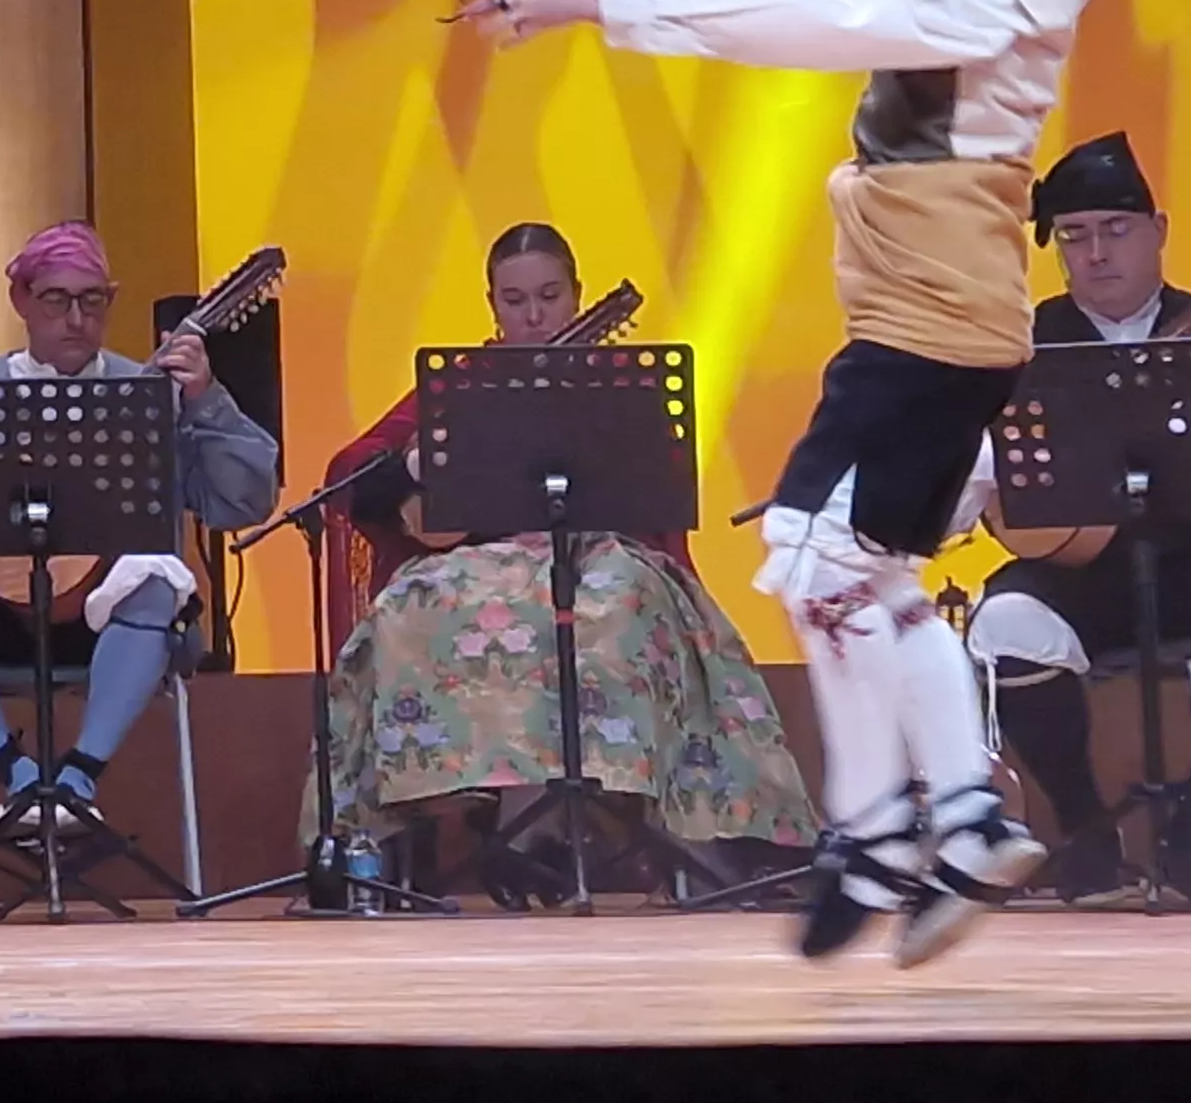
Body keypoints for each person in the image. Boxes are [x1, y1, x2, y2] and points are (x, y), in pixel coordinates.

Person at [463, 0, 1186, 963]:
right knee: (845, 569)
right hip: (933, 318)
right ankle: (931, 821)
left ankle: (916, 824)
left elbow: (791, 17)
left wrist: (590, 1)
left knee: (820, 562)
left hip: (924, 324)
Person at [311, 223, 815, 893]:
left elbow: (656, 490)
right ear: (491, 304)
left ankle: (557, 830)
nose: (533, 314)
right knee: (411, 607)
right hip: (476, 564)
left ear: (576, 297)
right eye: (514, 300)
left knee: (611, 603)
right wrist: (410, 464)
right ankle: (475, 822)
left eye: (549, 296)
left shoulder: (619, 384)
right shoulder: (460, 386)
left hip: (595, 556)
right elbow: (352, 472)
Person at [959, 134, 1191, 903]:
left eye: (1115, 230)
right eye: (1075, 236)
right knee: (1007, 626)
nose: (1096, 253)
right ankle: (1086, 828)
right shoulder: (1015, 349)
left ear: (1158, 230)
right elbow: (973, 486)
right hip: (1079, 577)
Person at [0, 221, 278, 843]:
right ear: (22, 302)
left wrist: (206, 401)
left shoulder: (150, 395)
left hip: (105, 622)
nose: (75, 318)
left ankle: (79, 777)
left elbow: (242, 502)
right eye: (56, 300)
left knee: (156, 583)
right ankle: (20, 775)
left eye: (92, 300)